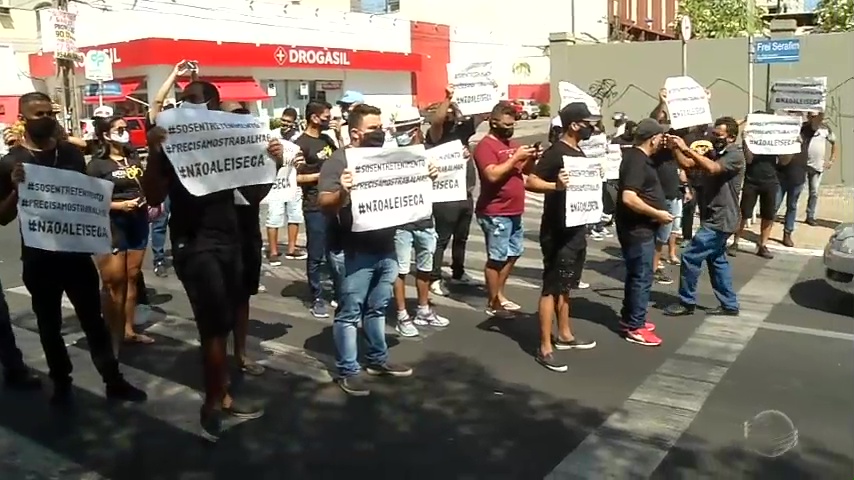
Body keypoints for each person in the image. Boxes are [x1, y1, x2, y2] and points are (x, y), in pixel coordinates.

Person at [143, 82, 279, 441]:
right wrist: (155, 151)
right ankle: (214, 401)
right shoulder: (172, 144)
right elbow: (153, 196)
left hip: (229, 240)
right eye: (184, 101)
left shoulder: (229, 138)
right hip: (193, 243)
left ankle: (222, 391)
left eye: (195, 100)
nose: (188, 106)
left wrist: (272, 162)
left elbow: (252, 194)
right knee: (213, 324)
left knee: (227, 315)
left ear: (214, 105)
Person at [0, 91, 146, 405]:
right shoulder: (11, 162)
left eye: (49, 112)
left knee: (93, 321)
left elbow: (86, 200)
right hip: (39, 258)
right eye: (39, 114)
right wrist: (15, 188)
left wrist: (100, 236)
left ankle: (113, 379)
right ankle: (62, 383)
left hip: (76, 254)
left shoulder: (70, 155)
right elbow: (2, 217)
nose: (47, 118)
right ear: (24, 118)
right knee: (49, 325)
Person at [318, 104, 413, 397]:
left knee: (378, 308)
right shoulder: (338, 161)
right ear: (356, 132)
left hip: (385, 247)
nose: (380, 132)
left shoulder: (387, 157)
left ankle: (377, 360)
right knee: (350, 313)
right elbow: (324, 202)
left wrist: (426, 176)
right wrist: (343, 191)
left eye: (381, 126)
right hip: (352, 251)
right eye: (374, 128)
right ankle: (348, 370)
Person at [524, 103, 599, 372]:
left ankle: (565, 334)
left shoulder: (579, 151)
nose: (594, 126)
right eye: (589, 122)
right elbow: (530, 181)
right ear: (574, 125)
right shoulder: (557, 152)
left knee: (567, 284)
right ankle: (545, 346)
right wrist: (555, 186)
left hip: (576, 229)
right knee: (551, 287)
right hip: (557, 232)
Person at [222, 101, 282, 376]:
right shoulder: (210, 154)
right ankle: (216, 353)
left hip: (247, 235)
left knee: (242, 297)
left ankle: (241, 354)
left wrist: (275, 163)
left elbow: (260, 193)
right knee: (217, 299)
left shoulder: (257, 155)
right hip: (215, 237)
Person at [664, 116, 745, 317]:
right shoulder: (716, 153)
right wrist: (675, 147)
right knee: (716, 260)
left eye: (719, 135)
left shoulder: (735, 155)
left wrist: (686, 147)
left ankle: (687, 302)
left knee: (691, 255)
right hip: (712, 214)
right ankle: (729, 304)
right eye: (714, 134)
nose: (714, 137)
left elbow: (712, 168)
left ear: (731, 137)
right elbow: (689, 164)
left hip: (722, 218)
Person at [86, 115, 153, 351]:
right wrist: (118, 206)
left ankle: (128, 330)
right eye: (120, 129)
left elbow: (143, 183)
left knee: (132, 276)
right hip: (112, 224)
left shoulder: (133, 157)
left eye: (126, 128)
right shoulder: (97, 165)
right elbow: (90, 199)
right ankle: (110, 334)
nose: (125, 132)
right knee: (114, 282)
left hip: (138, 221)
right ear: (106, 135)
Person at [473, 102, 537, 317]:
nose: (510, 128)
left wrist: (530, 159)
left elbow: (524, 170)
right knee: (497, 257)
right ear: (493, 122)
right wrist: (515, 158)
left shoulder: (512, 144)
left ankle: (499, 293)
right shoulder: (485, 147)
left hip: (514, 210)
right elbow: (492, 175)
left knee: (514, 253)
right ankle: (493, 302)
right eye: (506, 124)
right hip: (495, 211)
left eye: (513, 125)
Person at [388, 105, 446, 338]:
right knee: (400, 270)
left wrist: (436, 172)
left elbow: (442, 179)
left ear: (414, 129)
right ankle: (402, 314)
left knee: (425, 267)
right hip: (400, 223)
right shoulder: (389, 154)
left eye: (404, 129)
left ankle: (423, 309)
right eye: (397, 129)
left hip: (424, 220)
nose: (399, 133)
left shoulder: (427, 152)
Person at [615, 118, 671, 347]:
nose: (662, 140)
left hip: (639, 228)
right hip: (638, 230)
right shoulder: (637, 161)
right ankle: (636, 326)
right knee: (642, 276)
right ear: (653, 138)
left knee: (636, 274)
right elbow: (629, 197)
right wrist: (657, 214)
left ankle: (630, 318)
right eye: (660, 137)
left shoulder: (637, 157)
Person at [426, 85, 483, 296]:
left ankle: (458, 272)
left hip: (465, 193)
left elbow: (481, 115)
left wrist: (487, 93)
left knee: (462, 236)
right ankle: (434, 276)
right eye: (448, 111)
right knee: (442, 238)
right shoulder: (435, 135)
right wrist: (448, 99)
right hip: (445, 195)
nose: (451, 114)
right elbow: (437, 121)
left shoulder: (462, 131)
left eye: (453, 111)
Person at [147, 60, 195, 277]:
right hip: (162, 183)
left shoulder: (183, 128)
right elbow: (156, 101)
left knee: (183, 220)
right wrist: (174, 75)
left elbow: (198, 102)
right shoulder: (157, 128)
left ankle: (181, 255)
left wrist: (194, 77)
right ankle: (158, 260)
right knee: (159, 223)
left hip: (182, 181)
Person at [294, 101, 340, 317]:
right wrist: (321, 176)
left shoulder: (328, 139)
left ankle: (338, 292)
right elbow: (297, 178)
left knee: (336, 252)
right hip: (314, 206)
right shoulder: (300, 144)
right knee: (317, 254)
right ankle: (317, 296)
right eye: (326, 116)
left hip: (335, 203)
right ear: (314, 117)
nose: (329, 120)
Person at [729, 111, 793, 259]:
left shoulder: (775, 140)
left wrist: (791, 146)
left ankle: (763, 245)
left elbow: (784, 161)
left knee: (768, 215)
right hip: (752, 180)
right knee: (744, 213)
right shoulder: (753, 140)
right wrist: (746, 141)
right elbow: (749, 159)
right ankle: (735, 241)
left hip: (771, 181)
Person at [266, 107, 306, 264]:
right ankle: (273, 252)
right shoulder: (273, 135)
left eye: (288, 122)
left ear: (294, 122)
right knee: (274, 217)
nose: (285, 124)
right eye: (283, 120)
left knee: (295, 215)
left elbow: (302, 158)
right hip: (276, 182)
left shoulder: (298, 137)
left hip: (293, 180)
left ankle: (291, 248)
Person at [802, 112, 838, 226]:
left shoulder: (825, 129)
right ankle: (789, 215)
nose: (813, 119)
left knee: (814, 192)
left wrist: (831, 160)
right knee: (795, 191)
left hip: (817, 165)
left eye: (815, 116)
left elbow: (834, 143)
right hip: (802, 164)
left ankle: (810, 216)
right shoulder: (803, 128)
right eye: (811, 116)